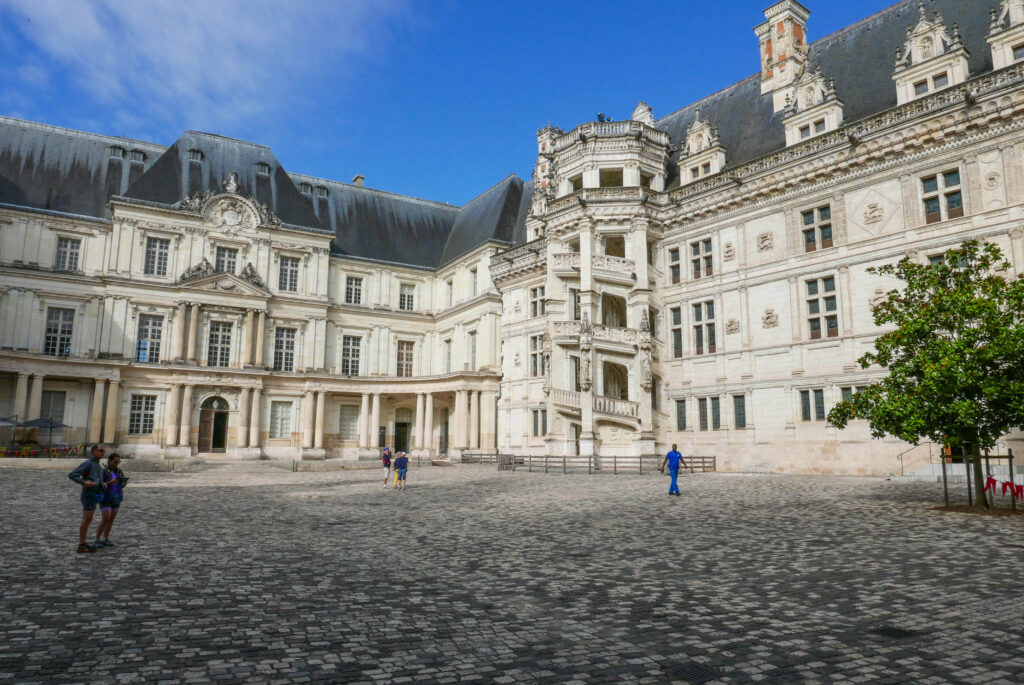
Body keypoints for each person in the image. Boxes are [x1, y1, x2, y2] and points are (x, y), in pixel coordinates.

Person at [68, 443, 107, 553]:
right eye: (100, 451)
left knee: (88, 519)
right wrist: (84, 482)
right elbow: (72, 475)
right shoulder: (88, 463)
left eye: (103, 451)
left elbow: (97, 479)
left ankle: (83, 543)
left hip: (95, 494)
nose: (102, 453)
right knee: (86, 520)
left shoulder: (97, 464)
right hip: (88, 495)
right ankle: (81, 545)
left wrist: (103, 485)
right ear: (93, 451)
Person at [95, 453, 129, 547]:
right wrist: (111, 482)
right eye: (115, 462)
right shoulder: (104, 471)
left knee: (111, 519)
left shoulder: (119, 471)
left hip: (116, 497)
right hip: (106, 497)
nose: (117, 464)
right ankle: (97, 539)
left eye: (119, 462)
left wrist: (123, 481)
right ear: (109, 461)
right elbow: (101, 484)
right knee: (105, 518)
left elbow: (121, 485)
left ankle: (105, 538)